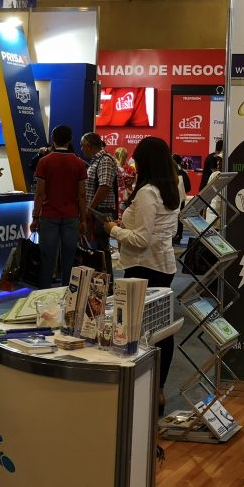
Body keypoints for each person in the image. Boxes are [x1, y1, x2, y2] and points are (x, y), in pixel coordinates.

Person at [103, 137, 179, 411]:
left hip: (143, 267)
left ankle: (144, 389)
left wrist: (113, 230)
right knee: (161, 330)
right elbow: (165, 231)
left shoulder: (148, 192)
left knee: (138, 331)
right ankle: (157, 388)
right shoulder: (171, 188)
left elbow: (142, 239)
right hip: (162, 266)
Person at [31, 125, 87, 289]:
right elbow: (82, 195)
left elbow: (39, 192)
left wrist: (35, 216)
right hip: (71, 216)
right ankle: (68, 293)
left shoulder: (44, 162)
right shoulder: (79, 163)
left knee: (47, 257)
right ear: (70, 139)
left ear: (52, 139)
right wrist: (83, 219)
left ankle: (44, 293)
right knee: (69, 257)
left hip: (49, 215)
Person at [80, 132, 119, 261]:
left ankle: (104, 273)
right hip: (96, 212)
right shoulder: (97, 160)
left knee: (99, 251)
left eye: (82, 146)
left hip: (100, 212)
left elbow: (105, 187)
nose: (81, 149)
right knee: (95, 250)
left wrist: (89, 209)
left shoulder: (105, 160)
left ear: (88, 145)